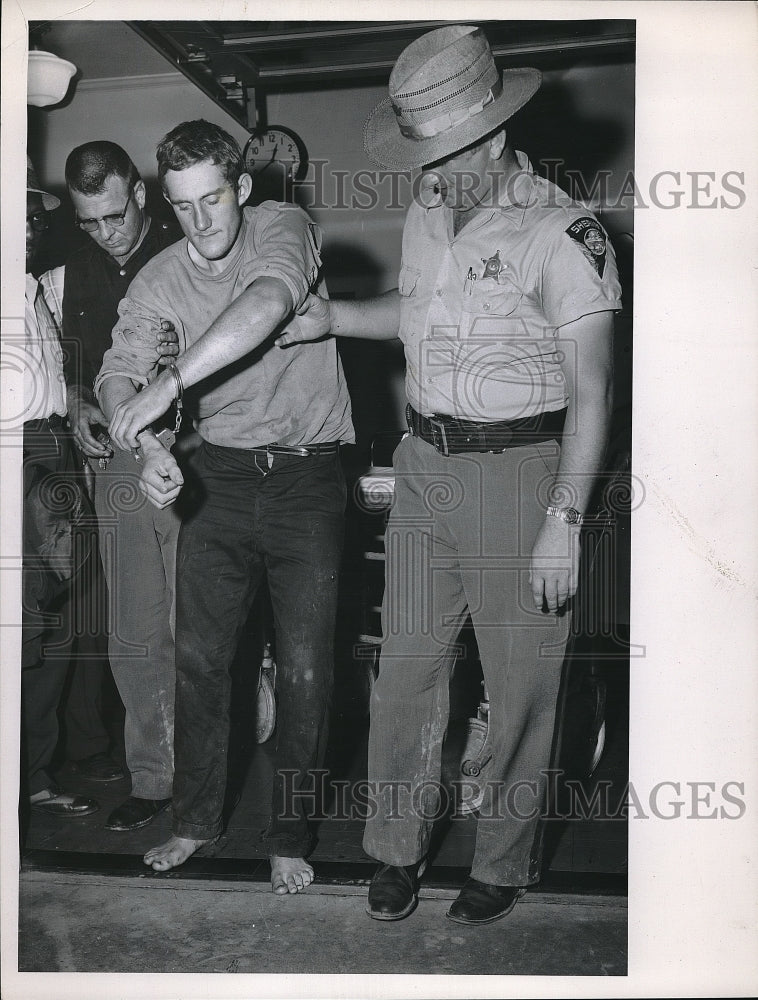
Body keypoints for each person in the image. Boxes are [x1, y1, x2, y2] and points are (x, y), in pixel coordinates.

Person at [112, 26, 622, 922]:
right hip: (425, 460)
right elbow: (413, 314)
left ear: (496, 136)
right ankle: (393, 851)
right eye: (422, 152)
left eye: (446, 153)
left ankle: (499, 865)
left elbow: (596, 392)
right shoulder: (432, 209)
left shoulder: (562, 231)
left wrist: (564, 520)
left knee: (519, 685)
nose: (430, 172)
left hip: (522, 469)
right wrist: (334, 320)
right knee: (406, 675)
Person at [98, 120, 354, 894]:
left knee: (307, 668)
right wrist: (150, 450)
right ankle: (194, 820)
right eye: (182, 206)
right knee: (201, 660)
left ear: (241, 189)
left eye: (214, 200)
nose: (201, 222)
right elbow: (117, 375)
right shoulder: (158, 278)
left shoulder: (284, 224)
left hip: (309, 477)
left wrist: (167, 390)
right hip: (224, 475)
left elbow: (269, 303)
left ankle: (290, 834)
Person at [42, 141, 182, 831]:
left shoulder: (189, 242)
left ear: (141, 193)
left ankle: (208, 774)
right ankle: (155, 780)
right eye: (90, 221)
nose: (105, 232)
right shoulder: (70, 261)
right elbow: (62, 364)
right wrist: (80, 406)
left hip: (198, 454)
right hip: (120, 463)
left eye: (116, 216)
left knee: (200, 627)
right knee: (134, 628)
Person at [21, 156, 98, 817]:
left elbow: (52, 380)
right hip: (16, 455)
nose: (26, 225)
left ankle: (36, 773)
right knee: (22, 625)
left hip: (54, 448)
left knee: (58, 624)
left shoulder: (31, 290)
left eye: (31, 216)